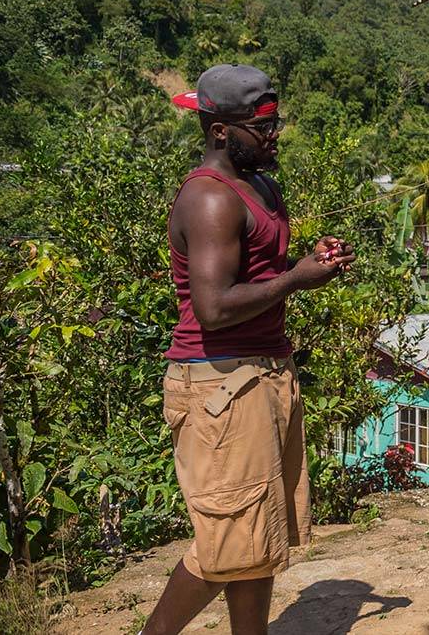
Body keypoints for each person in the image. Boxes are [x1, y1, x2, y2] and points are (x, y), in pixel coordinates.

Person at [143, 64, 356, 635]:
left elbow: (255, 271)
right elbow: (213, 307)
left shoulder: (259, 182)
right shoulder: (209, 200)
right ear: (218, 132)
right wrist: (296, 281)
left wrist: (305, 265)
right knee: (226, 542)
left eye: (274, 122)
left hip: (262, 373)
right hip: (220, 382)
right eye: (260, 126)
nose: (273, 135)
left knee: (257, 536)